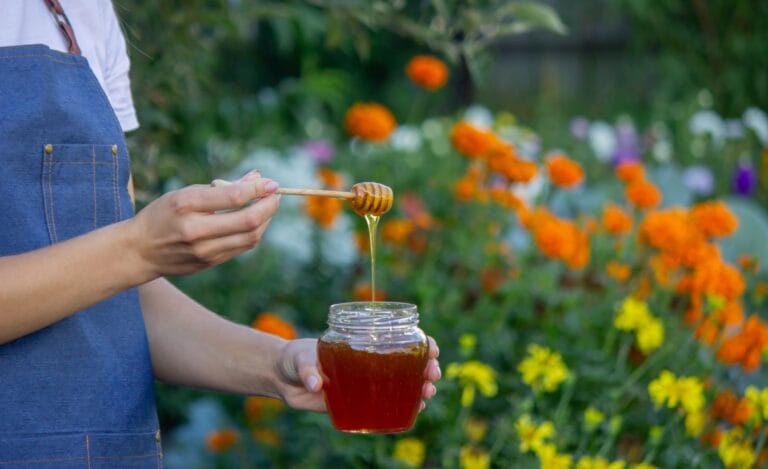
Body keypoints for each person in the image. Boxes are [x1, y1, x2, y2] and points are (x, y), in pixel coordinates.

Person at [0, 1, 441, 465]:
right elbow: (125, 258)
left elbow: (113, 295)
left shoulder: (84, 13)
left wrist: (281, 363)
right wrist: (139, 249)